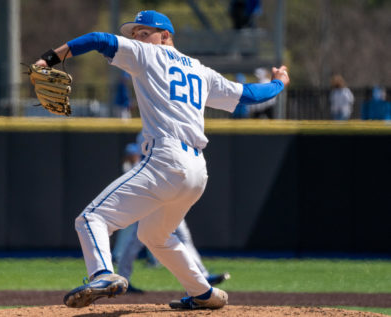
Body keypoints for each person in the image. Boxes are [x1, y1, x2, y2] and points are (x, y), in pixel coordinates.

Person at [34, 10, 289, 310]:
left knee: (91, 219)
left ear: (165, 36)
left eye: (144, 32)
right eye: (135, 34)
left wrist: (48, 59)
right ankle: (203, 293)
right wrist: (279, 83)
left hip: (166, 159)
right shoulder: (200, 70)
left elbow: (97, 39)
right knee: (154, 235)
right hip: (197, 172)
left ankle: (103, 274)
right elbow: (247, 94)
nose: (137, 39)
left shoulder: (147, 54)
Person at [118, 219, 230, 294]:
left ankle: (203, 276)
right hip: (151, 199)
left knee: (183, 237)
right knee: (137, 239)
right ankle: (123, 280)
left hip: (171, 198)